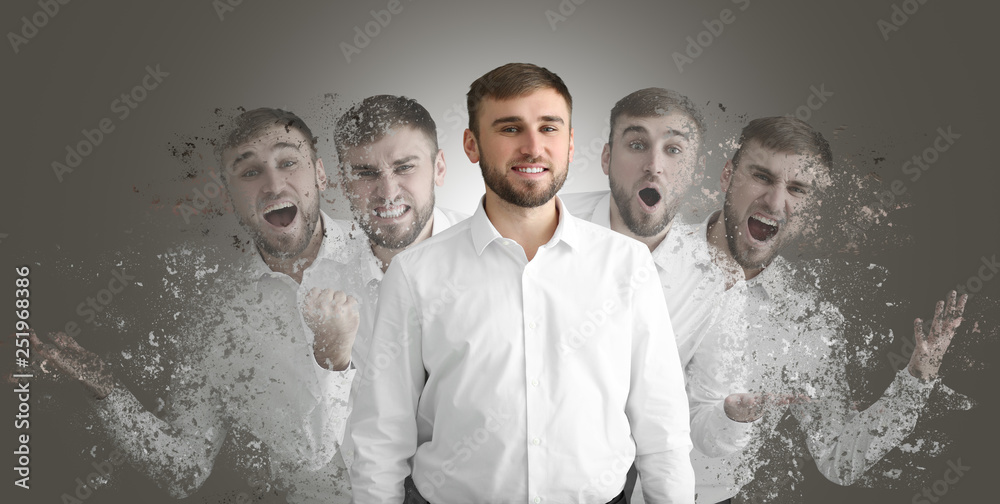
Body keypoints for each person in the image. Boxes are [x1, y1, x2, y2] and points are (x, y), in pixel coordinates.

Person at [348, 63, 695, 504]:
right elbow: (381, 438)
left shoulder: (627, 265)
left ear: (570, 144)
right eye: (510, 128)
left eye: (549, 128)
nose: (533, 148)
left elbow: (662, 429)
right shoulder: (416, 274)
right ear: (472, 146)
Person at [30, 108, 364, 503]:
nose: (274, 185)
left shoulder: (388, 260)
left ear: (320, 174)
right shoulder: (215, 317)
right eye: (250, 172)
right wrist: (105, 389)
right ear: (228, 196)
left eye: (289, 162)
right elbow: (183, 469)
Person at [679, 116, 967, 502]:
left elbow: (839, 457)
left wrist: (915, 379)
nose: (776, 202)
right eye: (762, 177)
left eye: (797, 189)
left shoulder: (805, 320)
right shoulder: (644, 255)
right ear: (728, 175)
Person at [561, 87, 710, 366]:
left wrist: (730, 410)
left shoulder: (711, 281)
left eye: (674, 150)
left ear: (697, 171)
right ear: (606, 158)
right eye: (638, 145)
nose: (654, 166)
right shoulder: (546, 224)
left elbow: (705, 399)